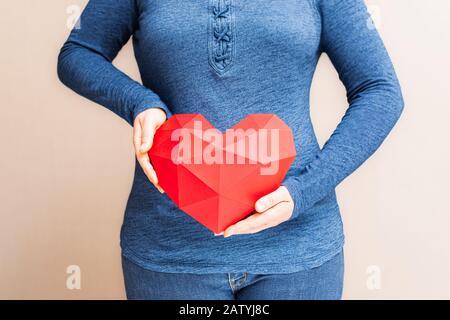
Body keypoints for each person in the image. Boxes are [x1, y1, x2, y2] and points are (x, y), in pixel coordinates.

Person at [57, 0, 404, 300]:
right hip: (169, 250)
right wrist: (141, 103)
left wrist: (304, 190)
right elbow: (78, 53)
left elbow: (380, 91)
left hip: (298, 249)